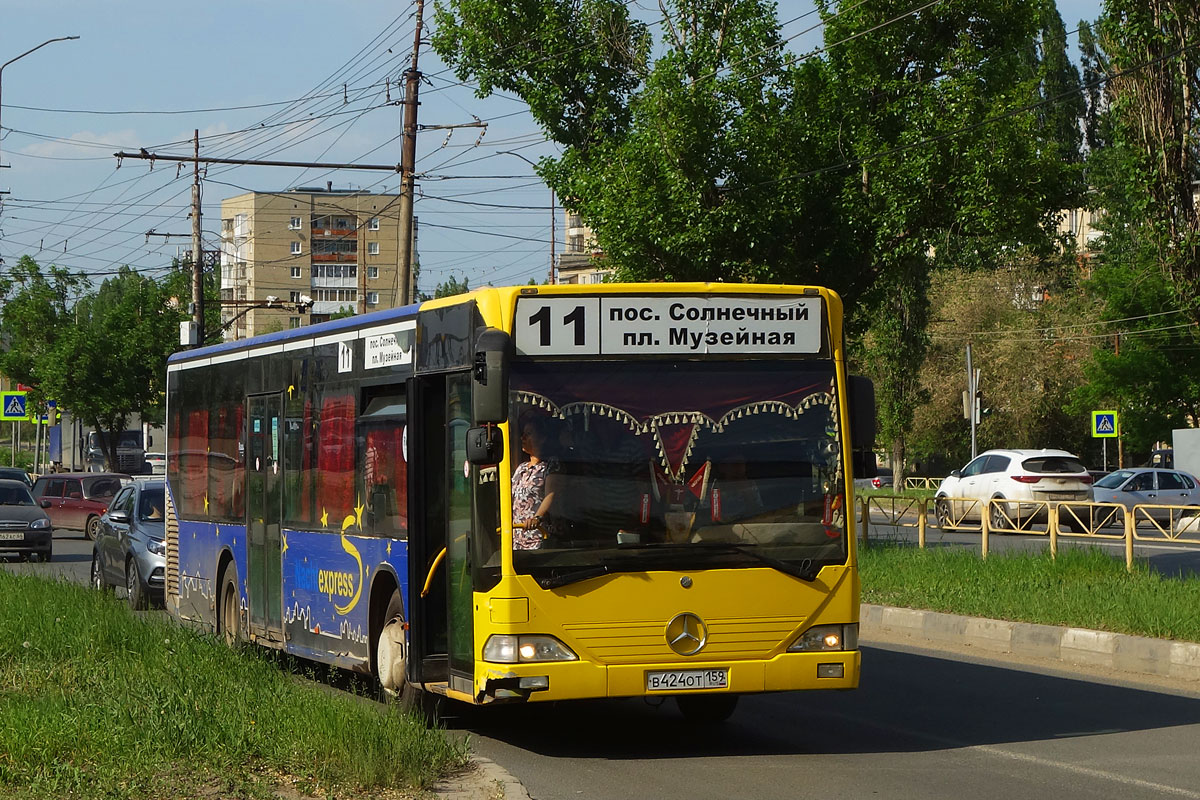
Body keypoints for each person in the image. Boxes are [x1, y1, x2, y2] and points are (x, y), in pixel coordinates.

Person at [511, 416, 562, 550]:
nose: (523, 438)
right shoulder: (521, 468)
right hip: (516, 539)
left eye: (528, 434)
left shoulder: (551, 464)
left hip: (538, 538)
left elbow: (551, 494)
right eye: (523, 435)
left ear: (543, 438)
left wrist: (537, 519)